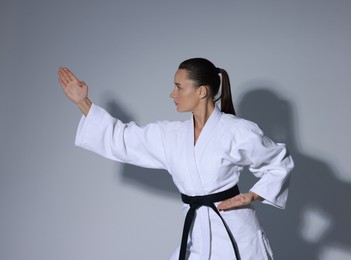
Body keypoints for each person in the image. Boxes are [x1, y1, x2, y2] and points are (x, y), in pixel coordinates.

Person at [58, 58, 294, 260]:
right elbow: (122, 138)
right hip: (196, 237)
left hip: (236, 234)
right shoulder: (170, 135)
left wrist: (252, 195)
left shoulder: (237, 131)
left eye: (179, 87)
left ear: (201, 91)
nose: (172, 94)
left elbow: (278, 162)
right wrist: (83, 102)